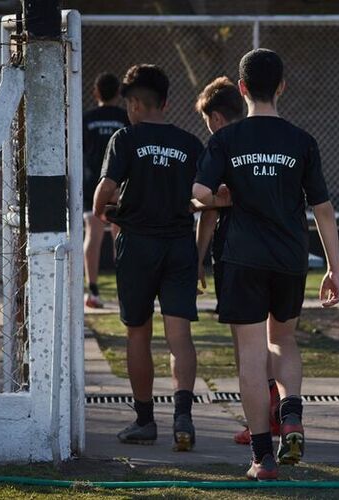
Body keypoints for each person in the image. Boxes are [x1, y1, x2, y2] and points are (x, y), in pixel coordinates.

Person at [193, 49, 339, 481]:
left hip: (242, 258)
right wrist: (333, 266)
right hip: (290, 258)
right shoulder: (301, 141)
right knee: (285, 341)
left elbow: (200, 191)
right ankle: (291, 411)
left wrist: (222, 197)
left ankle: (263, 458)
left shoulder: (225, 140)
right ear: (281, 87)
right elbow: (324, 209)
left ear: (241, 89)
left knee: (252, 356)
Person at [93, 64, 206, 452]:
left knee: (138, 332)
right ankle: (183, 417)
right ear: (166, 101)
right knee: (180, 335)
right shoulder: (191, 143)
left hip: (138, 245)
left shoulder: (126, 138)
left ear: (136, 104)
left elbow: (104, 193)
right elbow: (208, 195)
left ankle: (144, 420)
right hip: (178, 245)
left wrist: (108, 213)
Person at [194, 76, 281, 446]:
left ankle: (260, 422)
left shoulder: (223, 145)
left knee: (246, 344)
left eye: (207, 122)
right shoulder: (268, 140)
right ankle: (278, 407)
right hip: (279, 253)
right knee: (277, 339)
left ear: (216, 117)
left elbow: (207, 208)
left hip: (236, 254)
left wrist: (197, 259)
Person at [82, 72, 129, 309]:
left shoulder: (88, 119)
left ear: (96, 92)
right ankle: (124, 289)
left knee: (93, 232)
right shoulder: (124, 118)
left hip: (93, 184)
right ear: (118, 94)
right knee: (120, 234)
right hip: (119, 184)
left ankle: (93, 290)